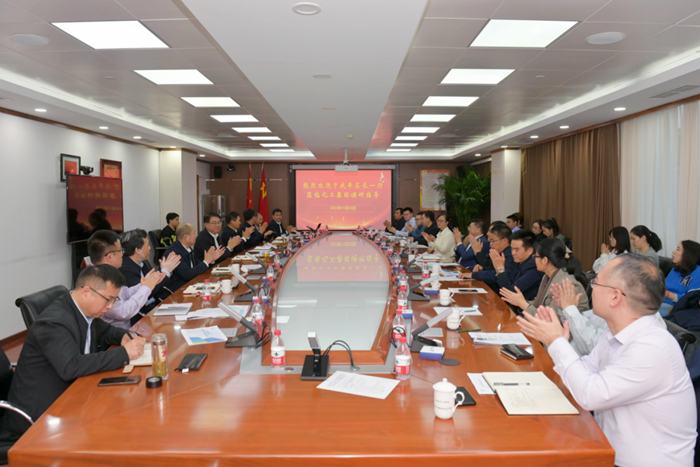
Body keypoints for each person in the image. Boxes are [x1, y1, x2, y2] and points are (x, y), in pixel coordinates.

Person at [516, 255, 696, 466]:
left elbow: (590, 395)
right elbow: (586, 369)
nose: (591, 289)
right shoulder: (617, 333)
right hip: (606, 449)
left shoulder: (651, 347)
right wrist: (560, 343)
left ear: (615, 297)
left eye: (596, 282)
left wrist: (556, 342)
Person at [0, 265, 146, 438]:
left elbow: (106, 331)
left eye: (114, 300)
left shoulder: (83, 310)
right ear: (86, 292)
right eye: (108, 299)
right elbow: (71, 366)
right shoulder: (54, 322)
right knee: (117, 428)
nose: (110, 306)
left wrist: (125, 336)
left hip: (71, 395)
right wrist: (124, 354)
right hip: (41, 415)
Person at [549, 277, 667, 356]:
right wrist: (564, 308)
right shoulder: (614, 308)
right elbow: (578, 326)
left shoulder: (637, 321)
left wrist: (570, 309)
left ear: (616, 294)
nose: (592, 289)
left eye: (595, 284)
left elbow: (591, 347)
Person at [88, 231, 166, 330]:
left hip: (124, 331)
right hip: (114, 335)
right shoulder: (100, 281)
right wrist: (145, 288)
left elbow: (124, 293)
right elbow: (124, 311)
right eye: (120, 251)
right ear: (110, 256)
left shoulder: (109, 273)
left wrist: (145, 284)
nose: (122, 254)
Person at [500, 238, 589, 320]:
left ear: (545, 260)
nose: (534, 260)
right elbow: (539, 304)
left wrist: (523, 304)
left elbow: (550, 319)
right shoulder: (547, 277)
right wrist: (520, 302)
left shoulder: (566, 284)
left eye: (536, 257)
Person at [119, 229, 181, 321]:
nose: (150, 248)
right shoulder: (125, 268)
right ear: (138, 250)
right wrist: (165, 272)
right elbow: (145, 293)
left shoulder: (143, 262)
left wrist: (164, 272)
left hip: (155, 305)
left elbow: (154, 286)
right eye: (147, 245)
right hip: (143, 313)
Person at [165, 223, 225, 292]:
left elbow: (197, 266)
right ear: (186, 237)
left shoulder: (187, 248)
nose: (196, 236)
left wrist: (210, 260)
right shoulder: (174, 253)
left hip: (190, 285)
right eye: (194, 233)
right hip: (176, 291)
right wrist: (206, 262)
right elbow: (187, 274)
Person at [458, 224, 515, 292]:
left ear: (504, 241)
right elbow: (491, 268)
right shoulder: (500, 252)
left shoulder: (510, 255)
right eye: (490, 241)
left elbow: (497, 275)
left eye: (493, 241)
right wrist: (483, 268)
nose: (490, 244)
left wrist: (473, 275)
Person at [494, 230, 544, 301]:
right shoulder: (520, 262)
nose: (513, 253)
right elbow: (508, 282)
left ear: (530, 251)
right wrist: (498, 269)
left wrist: (500, 269)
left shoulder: (534, 267)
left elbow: (511, 292)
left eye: (517, 250)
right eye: (512, 249)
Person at [660, 240, 700, 317]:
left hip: (676, 307)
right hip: (660, 301)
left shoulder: (698, 272)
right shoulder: (675, 269)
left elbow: (691, 300)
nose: (673, 251)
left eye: (678, 249)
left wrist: (668, 294)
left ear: (688, 254)